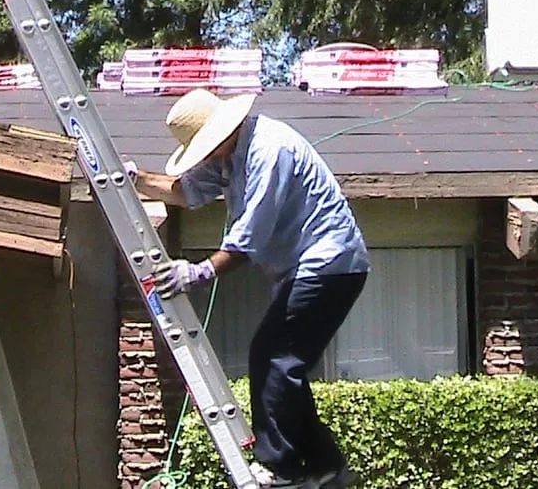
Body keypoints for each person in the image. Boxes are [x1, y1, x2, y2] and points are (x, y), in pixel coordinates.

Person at [131, 88, 370, 489]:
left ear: (221, 131)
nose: (204, 157)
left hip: (330, 264)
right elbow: (185, 191)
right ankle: (326, 464)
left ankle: (283, 467)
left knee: (274, 356)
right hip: (307, 269)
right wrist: (135, 179)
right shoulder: (228, 154)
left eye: (204, 147)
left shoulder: (267, 150)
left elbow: (249, 238)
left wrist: (199, 272)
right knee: (282, 362)